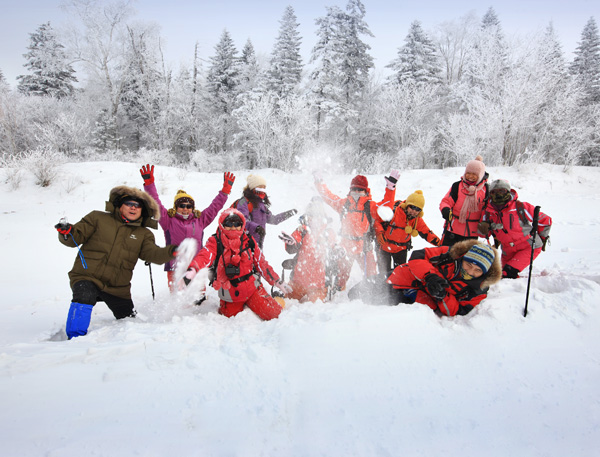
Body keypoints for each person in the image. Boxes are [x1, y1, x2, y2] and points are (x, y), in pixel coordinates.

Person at [55, 186, 178, 339]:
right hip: (87, 276)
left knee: (128, 319)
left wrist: (171, 252)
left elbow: (152, 254)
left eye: (138, 205)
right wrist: (67, 233)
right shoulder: (97, 218)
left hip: (118, 287)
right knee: (84, 294)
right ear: (120, 205)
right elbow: (75, 237)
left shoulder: (144, 234)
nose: (133, 207)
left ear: (143, 210)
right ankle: (75, 338)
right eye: (129, 203)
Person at [179, 208, 292, 320]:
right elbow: (204, 256)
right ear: (222, 224)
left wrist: (277, 281)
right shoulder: (215, 241)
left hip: (253, 289)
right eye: (228, 224)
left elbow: (261, 264)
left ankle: (274, 300)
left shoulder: (249, 240)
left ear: (242, 224)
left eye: (237, 224)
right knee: (229, 320)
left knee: (274, 314)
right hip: (230, 295)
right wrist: (193, 269)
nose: (233, 227)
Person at [140, 164, 234, 290]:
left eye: (189, 206)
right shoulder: (168, 221)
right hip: (175, 267)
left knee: (198, 299)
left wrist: (225, 192)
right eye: (182, 205)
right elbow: (155, 203)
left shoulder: (200, 220)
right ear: (176, 207)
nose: (185, 209)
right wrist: (149, 184)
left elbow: (214, 207)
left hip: (196, 267)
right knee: (177, 300)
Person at [349, 241, 501, 317]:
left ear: (485, 272)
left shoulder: (479, 290)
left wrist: (442, 296)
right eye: (468, 264)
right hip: (402, 276)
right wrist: (430, 276)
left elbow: (458, 311)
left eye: (478, 270)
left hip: (418, 298)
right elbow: (417, 257)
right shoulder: (450, 254)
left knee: (373, 309)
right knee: (355, 293)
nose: (470, 271)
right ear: (464, 258)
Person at [314, 171, 398, 291]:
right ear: (350, 190)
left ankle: (371, 294)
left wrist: (390, 188)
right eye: (355, 190)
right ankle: (338, 291)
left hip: (364, 247)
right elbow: (328, 197)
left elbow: (386, 209)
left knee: (371, 274)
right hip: (346, 246)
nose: (357, 193)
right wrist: (319, 182)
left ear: (366, 191)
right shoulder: (344, 204)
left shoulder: (370, 206)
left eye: (360, 190)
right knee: (341, 275)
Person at [478, 179, 552, 279]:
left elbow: (546, 221)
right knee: (500, 276)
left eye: (502, 191)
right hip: (507, 250)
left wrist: (542, 239)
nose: (498, 194)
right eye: (494, 192)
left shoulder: (521, 207)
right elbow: (483, 235)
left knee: (508, 273)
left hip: (529, 246)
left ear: (508, 191)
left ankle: (517, 291)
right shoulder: (488, 211)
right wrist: (483, 228)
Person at [279, 197, 340, 302]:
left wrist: (338, 251)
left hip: (319, 284)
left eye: (317, 215)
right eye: (311, 215)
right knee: (287, 303)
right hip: (297, 281)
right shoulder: (302, 230)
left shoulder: (328, 232)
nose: (314, 219)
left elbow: (334, 249)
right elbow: (291, 249)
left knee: (316, 311)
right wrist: (291, 244)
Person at [374, 190, 441, 275]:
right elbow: (377, 221)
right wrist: (379, 233)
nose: (414, 211)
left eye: (417, 209)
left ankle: (396, 288)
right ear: (407, 205)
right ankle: (383, 288)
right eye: (412, 207)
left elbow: (427, 233)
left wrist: (441, 245)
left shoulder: (417, 220)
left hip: (401, 250)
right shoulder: (394, 212)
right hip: (384, 247)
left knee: (399, 274)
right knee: (384, 274)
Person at [234, 174, 297, 248]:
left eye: (264, 187)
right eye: (260, 187)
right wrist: (256, 228)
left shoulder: (261, 205)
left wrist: (288, 214)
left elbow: (274, 220)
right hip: (245, 244)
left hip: (259, 245)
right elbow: (242, 221)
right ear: (253, 187)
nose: (262, 190)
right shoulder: (244, 202)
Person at [440, 156, 489, 246]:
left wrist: (486, 223)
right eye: (468, 173)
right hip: (452, 229)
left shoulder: (486, 190)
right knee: (446, 257)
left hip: (472, 233)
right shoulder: (457, 186)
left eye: (474, 174)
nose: (470, 176)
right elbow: (446, 201)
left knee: (467, 259)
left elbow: (488, 210)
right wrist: (445, 209)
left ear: (480, 175)